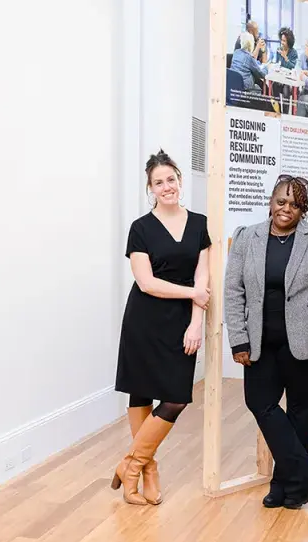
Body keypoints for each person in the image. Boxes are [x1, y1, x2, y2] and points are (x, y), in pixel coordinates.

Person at [225, 175, 308, 509]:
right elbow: (233, 291)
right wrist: (238, 339)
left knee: (299, 406)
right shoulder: (246, 238)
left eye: (295, 204)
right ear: (271, 201)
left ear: (302, 209)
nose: (286, 209)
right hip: (259, 341)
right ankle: (304, 476)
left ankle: (287, 486)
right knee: (260, 402)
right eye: (281, 201)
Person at [112, 150, 212, 506]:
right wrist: (193, 294)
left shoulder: (199, 223)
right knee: (141, 391)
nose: (166, 186)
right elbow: (147, 283)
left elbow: (204, 277)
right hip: (145, 317)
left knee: (176, 397)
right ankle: (146, 470)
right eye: (159, 182)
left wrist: (196, 323)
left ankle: (131, 464)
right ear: (150, 189)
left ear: (180, 181)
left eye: (171, 179)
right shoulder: (140, 228)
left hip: (182, 322)